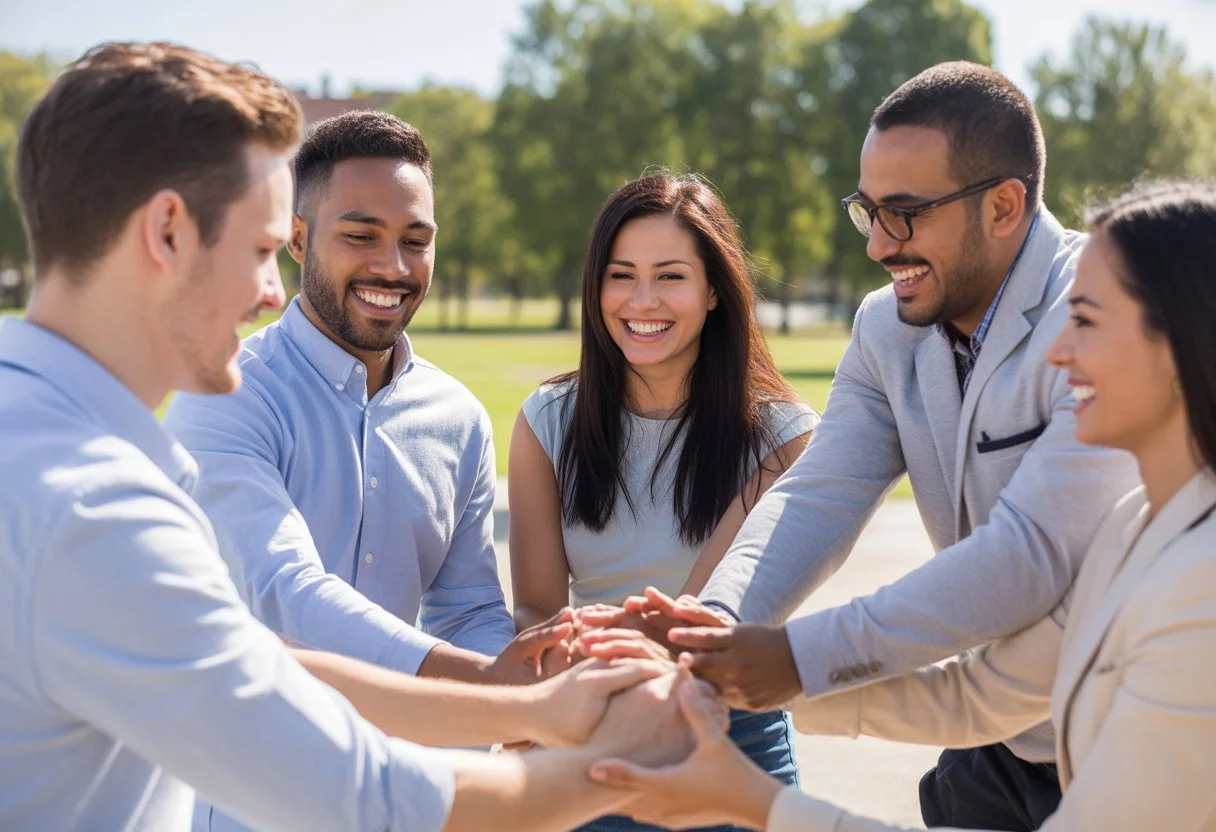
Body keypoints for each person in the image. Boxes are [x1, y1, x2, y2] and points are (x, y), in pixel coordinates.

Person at [0, 41, 702, 832]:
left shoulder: (41, 444)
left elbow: (260, 663)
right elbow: (353, 782)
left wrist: (531, 699)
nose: (271, 290)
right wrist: (599, 763)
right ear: (168, 230)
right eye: (264, 249)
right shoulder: (94, 507)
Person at [605, 61, 1141, 831]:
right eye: (869, 212)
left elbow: (1029, 555)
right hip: (991, 751)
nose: (880, 247)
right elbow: (817, 494)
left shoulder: (1096, 318)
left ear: (1004, 205)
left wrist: (795, 657)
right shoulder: (884, 326)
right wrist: (710, 626)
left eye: (907, 213)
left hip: (1131, 743)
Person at [165, 110, 548, 689]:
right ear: (298, 238)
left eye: (415, 241)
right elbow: (282, 589)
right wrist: (494, 685)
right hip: (240, 767)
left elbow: (468, 611)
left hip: (401, 770)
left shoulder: (459, 420)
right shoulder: (226, 394)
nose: (393, 266)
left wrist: (502, 698)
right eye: (361, 235)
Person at [508, 172, 817, 831]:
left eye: (670, 276)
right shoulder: (546, 420)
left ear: (713, 292)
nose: (641, 300)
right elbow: (536, 604)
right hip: (589, 724)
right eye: (621, 275)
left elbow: (696, 626)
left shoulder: (783, 438)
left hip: (735, 735)